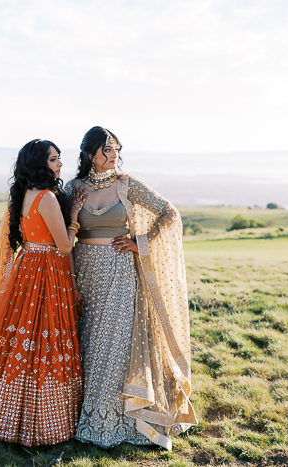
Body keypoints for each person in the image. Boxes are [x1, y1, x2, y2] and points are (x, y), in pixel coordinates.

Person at [66, 127, 197, 450]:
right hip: (83, 273)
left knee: (112, 344)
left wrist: (142, 242)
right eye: (107, 150)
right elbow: (64, 238)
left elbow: (169, 213)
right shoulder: (72, 188)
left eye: (116, 150)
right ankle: (76, 413)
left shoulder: (127, 184)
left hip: (120, 273)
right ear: (89, 154)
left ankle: (111, 419)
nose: (114, 156)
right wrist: (69, 282)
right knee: (87, 341)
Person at [0, 139, 87, 446]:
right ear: (40, 164)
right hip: (47, 272)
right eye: (54, 160)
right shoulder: (46, 197)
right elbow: (65, 245)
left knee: (19, 337)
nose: (59, 165)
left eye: (59, 159)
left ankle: (1, 412)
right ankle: (43, 420)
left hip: (26, 267)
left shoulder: (23, 194)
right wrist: (75, 218)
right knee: (48, 336)